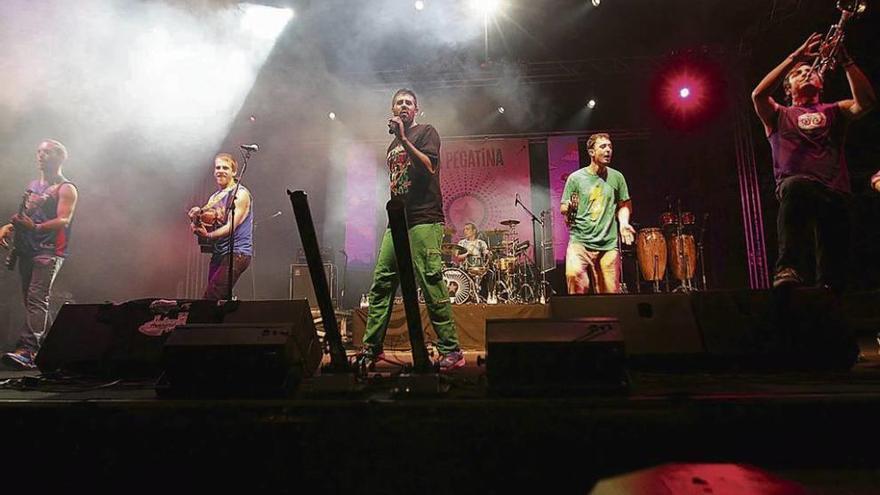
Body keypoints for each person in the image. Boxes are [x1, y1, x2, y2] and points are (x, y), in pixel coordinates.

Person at [751, 34, 875, 289]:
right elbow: (758, 95)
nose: (807, 74)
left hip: (836, 191)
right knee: (796, 187)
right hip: (798, 184)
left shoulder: (835, 110)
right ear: (788, 89)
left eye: (812, 72)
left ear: (821, 84)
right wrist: (794, 59)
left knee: (834, 275)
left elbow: (867, 103)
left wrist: (846, 61)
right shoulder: (779, 114)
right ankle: (788, 268)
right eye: (799, 74)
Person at [359, 88, 464, 372]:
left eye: (409, 103)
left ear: (416, 110)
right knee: (382, 283)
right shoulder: (391, 146)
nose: (404, 106)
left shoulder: (426, 132)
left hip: (425, 217)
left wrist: (404, 139)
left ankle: (451, 349)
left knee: (430, 280)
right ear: (393, 110)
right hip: (397, 221)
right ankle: (371, 349)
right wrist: (399, 141)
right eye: (399, 103)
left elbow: (429, 166)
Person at [0, 140, 78, 369]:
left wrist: (34, 228)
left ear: (60, 157)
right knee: (32, 301)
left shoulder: (66, 188)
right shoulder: (33, 185)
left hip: (50, 250)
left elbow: (64, 220)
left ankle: (28, 350)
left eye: (47, 152)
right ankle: (55, 348)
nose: (41, 155)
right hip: (27, 249)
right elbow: (26, 215)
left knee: (36, 298)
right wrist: (9, 226)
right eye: (39, 151)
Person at [561, 133, 635, 294]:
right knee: (574, 277)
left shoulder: (617, 177)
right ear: (591, 152)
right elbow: (564, 206)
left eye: (610, 147)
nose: (608, 150)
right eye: (603, 146)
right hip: (580, 242)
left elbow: (624, 205)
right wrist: (568, 211)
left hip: (607, 245)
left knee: (609, 294)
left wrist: (624, 223)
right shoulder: (575, 178)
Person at [189, 152, 254, 299]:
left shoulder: (240, 194)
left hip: (237, 252)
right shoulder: (214, 197)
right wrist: (195, 219)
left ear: (234, 172)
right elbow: (202, 224)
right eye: (218, 167)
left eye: (225, 168)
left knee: (212, 297)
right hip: (218, 253)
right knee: (219, 300)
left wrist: (209, 235)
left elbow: (231, 226)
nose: (221, 171)